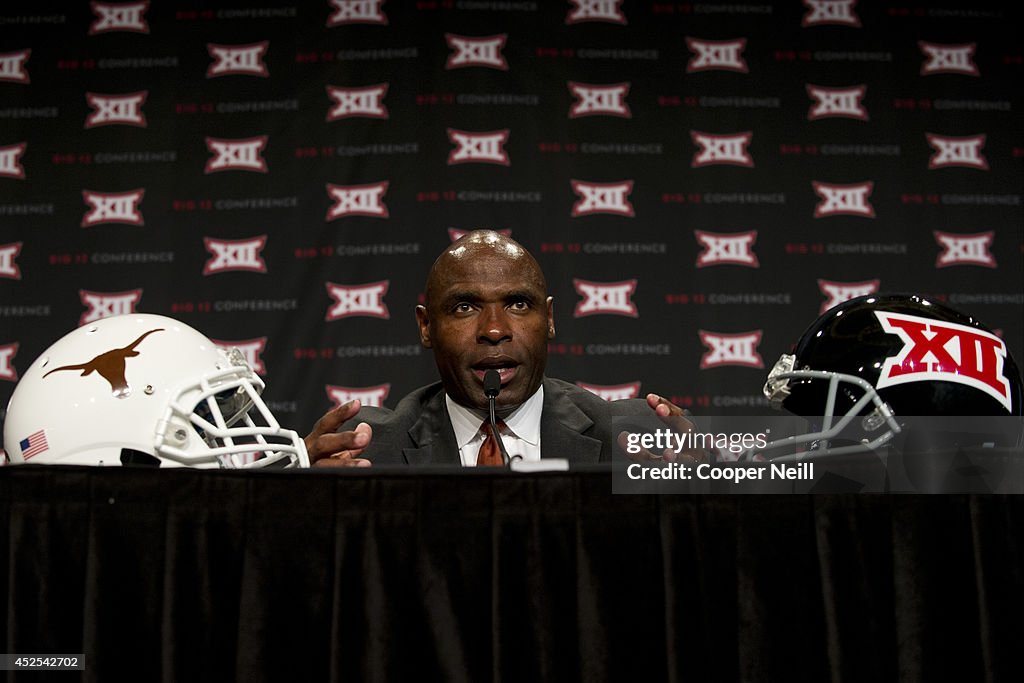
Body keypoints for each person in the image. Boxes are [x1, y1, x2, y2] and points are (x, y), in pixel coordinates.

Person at [305, 230, 700, 467]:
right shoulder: (366, 450)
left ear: (548, 319)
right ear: (426, 326)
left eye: (517, 304)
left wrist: (716, 489)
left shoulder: (636, 439)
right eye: (464, 307)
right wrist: (292, 497)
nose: (494, 330)